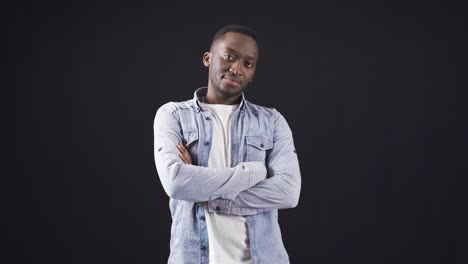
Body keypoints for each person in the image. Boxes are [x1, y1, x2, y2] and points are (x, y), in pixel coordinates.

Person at [153, 24, 301, 264]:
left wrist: (207, 196)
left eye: (248, 64)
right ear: (208, 58)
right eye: (229, 56)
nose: (237, 68)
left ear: (253, 73)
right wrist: (253, 172)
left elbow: (288, 192)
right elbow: (177, 183)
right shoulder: (174, 115)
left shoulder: (271, 121)